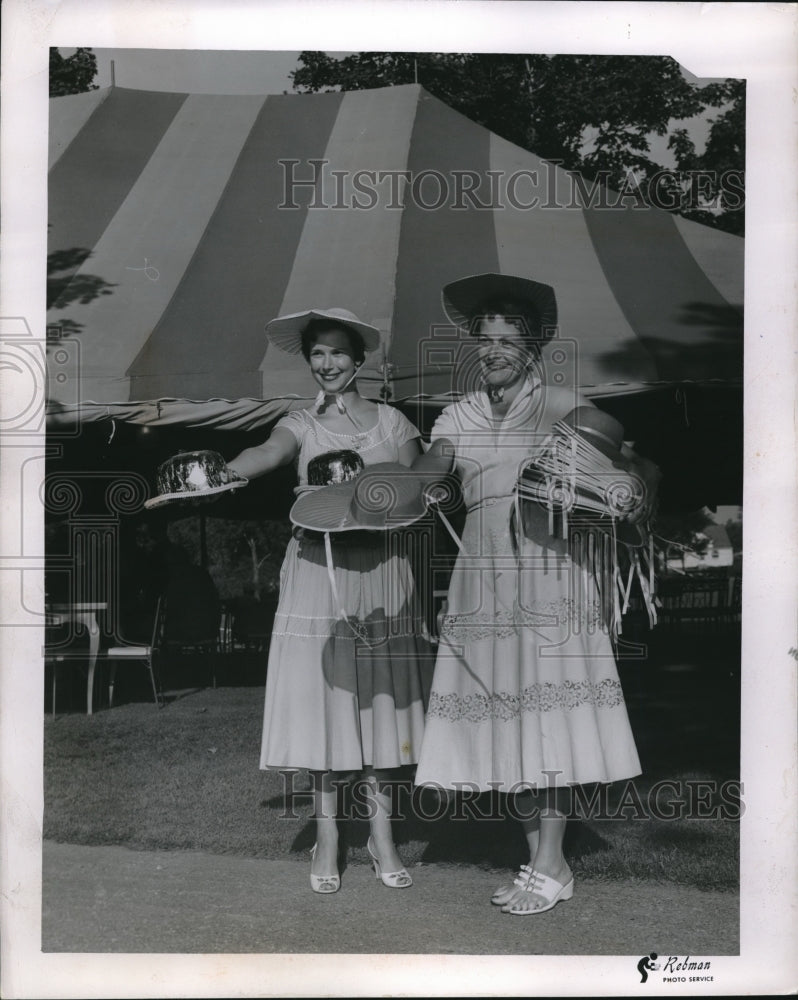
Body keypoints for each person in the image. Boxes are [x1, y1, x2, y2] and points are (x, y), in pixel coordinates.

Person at [412, 273, 658, 915]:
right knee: (504, 715)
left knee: (547, 714)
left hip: (549, 572)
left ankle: (552, 861)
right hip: (479, 578)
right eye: (485, 339)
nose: (494, 350)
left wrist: (613, 463)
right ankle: (539, 857)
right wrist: (374, 487)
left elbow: (613, 446)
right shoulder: (454, 415)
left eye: (508, 340)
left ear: (534, 347)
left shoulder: (561, 405)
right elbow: (428, 471)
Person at [224, 307, 432, 893]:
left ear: (358, 359)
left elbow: (423, 485)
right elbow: (265, 453)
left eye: (338, 352)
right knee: (322, 701)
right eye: (317, 354)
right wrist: (219, 473)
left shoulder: (392, 421)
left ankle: (382, 835)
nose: (327, 364)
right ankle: (329, 834)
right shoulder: (300, 422)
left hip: (382, 568)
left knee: (379, 703)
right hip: (318, 567)